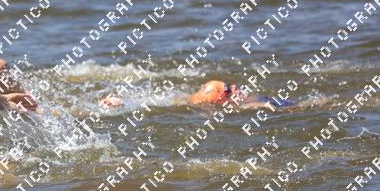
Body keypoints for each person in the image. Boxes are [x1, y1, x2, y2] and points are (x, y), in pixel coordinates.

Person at [99, 79, 294, 108]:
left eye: (228, 85)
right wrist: (124, 103)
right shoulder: (239, 106)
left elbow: (155, 101)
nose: (235, 87)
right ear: (222, 98)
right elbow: (153, 104)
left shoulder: (184, 98)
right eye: (228, 89)